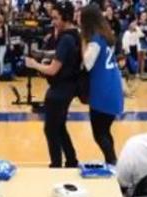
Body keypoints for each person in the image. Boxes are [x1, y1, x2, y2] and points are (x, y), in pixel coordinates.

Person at [25, 1, 81, 168]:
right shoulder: (75, 34)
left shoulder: (66, 39)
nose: (53, 22)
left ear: (66, 18)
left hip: (60, 90)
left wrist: (33, 64)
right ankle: (71, 160)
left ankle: (56, 165)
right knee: (60, 127)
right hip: (69, 87)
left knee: (50, 129)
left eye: (56, 18)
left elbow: (53, 70)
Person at [80, 4, 123, 165]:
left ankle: (112, 162)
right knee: (105, 131)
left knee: (99, 133)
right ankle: (112, 161)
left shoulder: (95, 39)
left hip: (102, 90)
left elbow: (88, 63)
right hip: (112, 86)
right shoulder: (107, 35)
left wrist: (83, 41)